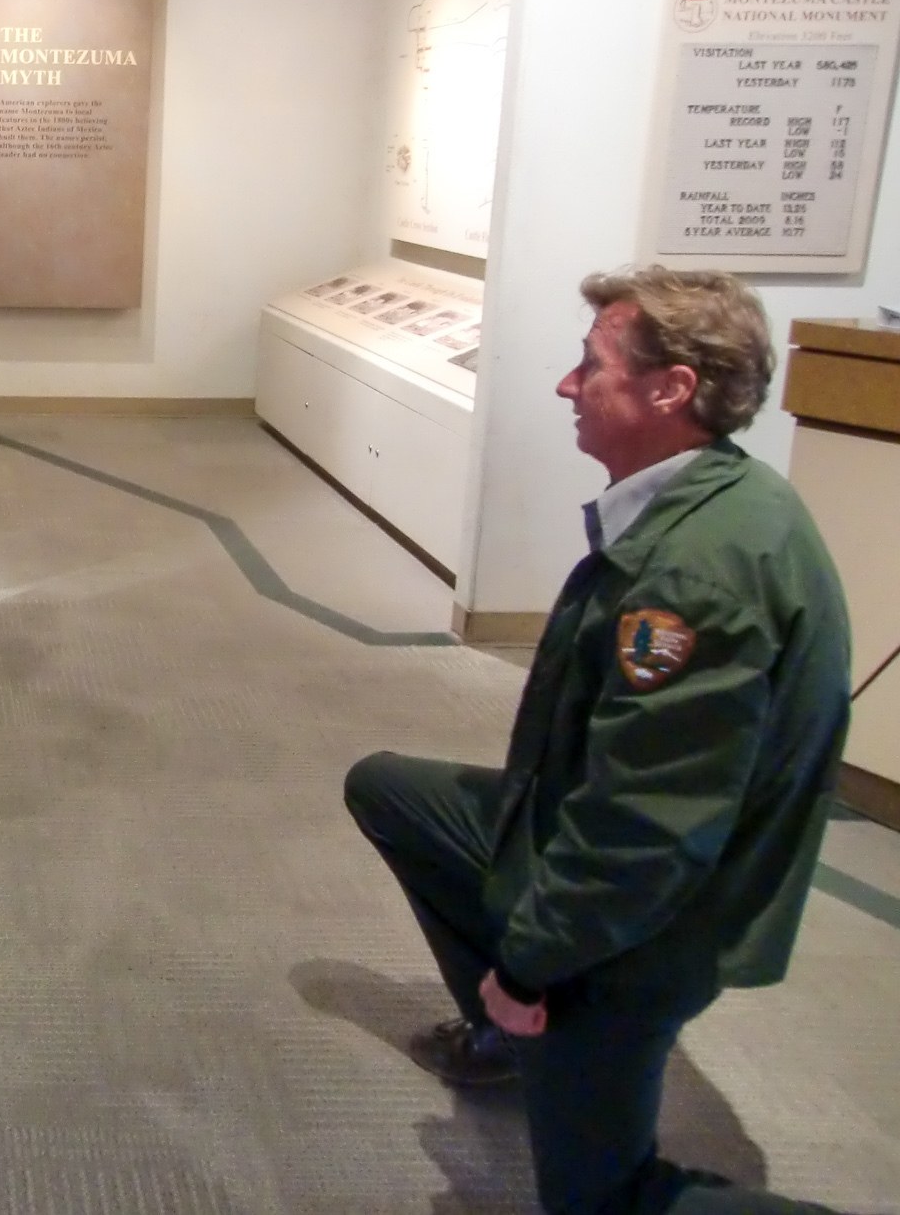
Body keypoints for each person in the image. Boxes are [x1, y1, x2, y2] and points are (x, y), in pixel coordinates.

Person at [345, 266, 853, 1215]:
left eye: (592, 366)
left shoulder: (698, 576)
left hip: (657, 923)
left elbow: (646, 832)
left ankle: (536, 1009)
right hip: (597, 839)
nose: (567, 386)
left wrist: (534, 962)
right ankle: (513, 1034)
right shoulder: (708, 501)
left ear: (672, 391)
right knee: (391, 789)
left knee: (601, 1200)